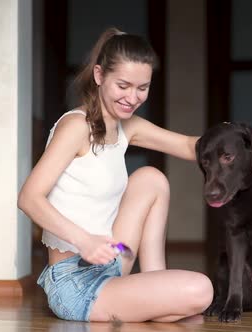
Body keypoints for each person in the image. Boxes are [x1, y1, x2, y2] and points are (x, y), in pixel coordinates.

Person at [17, 27, 213, 323]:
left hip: (113, 259)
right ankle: (159, 302)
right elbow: (29, 198)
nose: (133, 97)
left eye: (142, 88)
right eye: (123, 85)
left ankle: (154, 281)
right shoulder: (76, 126)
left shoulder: (127, 126)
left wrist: (244, 138)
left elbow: (187, 146)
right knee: (201, 289)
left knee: (151, 178)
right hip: (74, 282)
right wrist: (84, 241)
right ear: (99, 75)